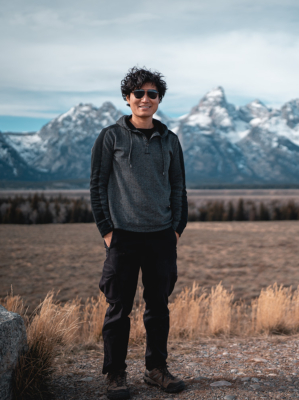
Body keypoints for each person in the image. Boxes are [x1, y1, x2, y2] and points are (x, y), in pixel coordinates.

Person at [90, 66, 188, 400]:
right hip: (123, 237)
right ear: (127, 98)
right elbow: (97, 185)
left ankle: (155, 370)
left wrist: (176, 229)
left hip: (161, 236)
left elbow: (178, 187)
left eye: (152, 94)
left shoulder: (170, 140)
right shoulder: (110, 137)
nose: (145, 99)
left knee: (158, 308)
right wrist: (107, 231)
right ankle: (115, 374)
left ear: (158, 100)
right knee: (119, 308)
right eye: (139, 93)